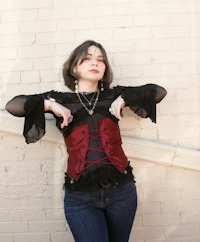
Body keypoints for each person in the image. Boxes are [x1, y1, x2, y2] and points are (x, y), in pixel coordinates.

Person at [5, 40, 167, 242]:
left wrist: (124, 97)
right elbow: (13, 106)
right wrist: (49, 106)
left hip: (122, 194)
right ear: (74, 67)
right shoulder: (61, 100)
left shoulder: (113, 95)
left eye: (100, 60)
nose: (95, 63)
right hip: (80, 199)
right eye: (88, 58)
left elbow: (159, 91)